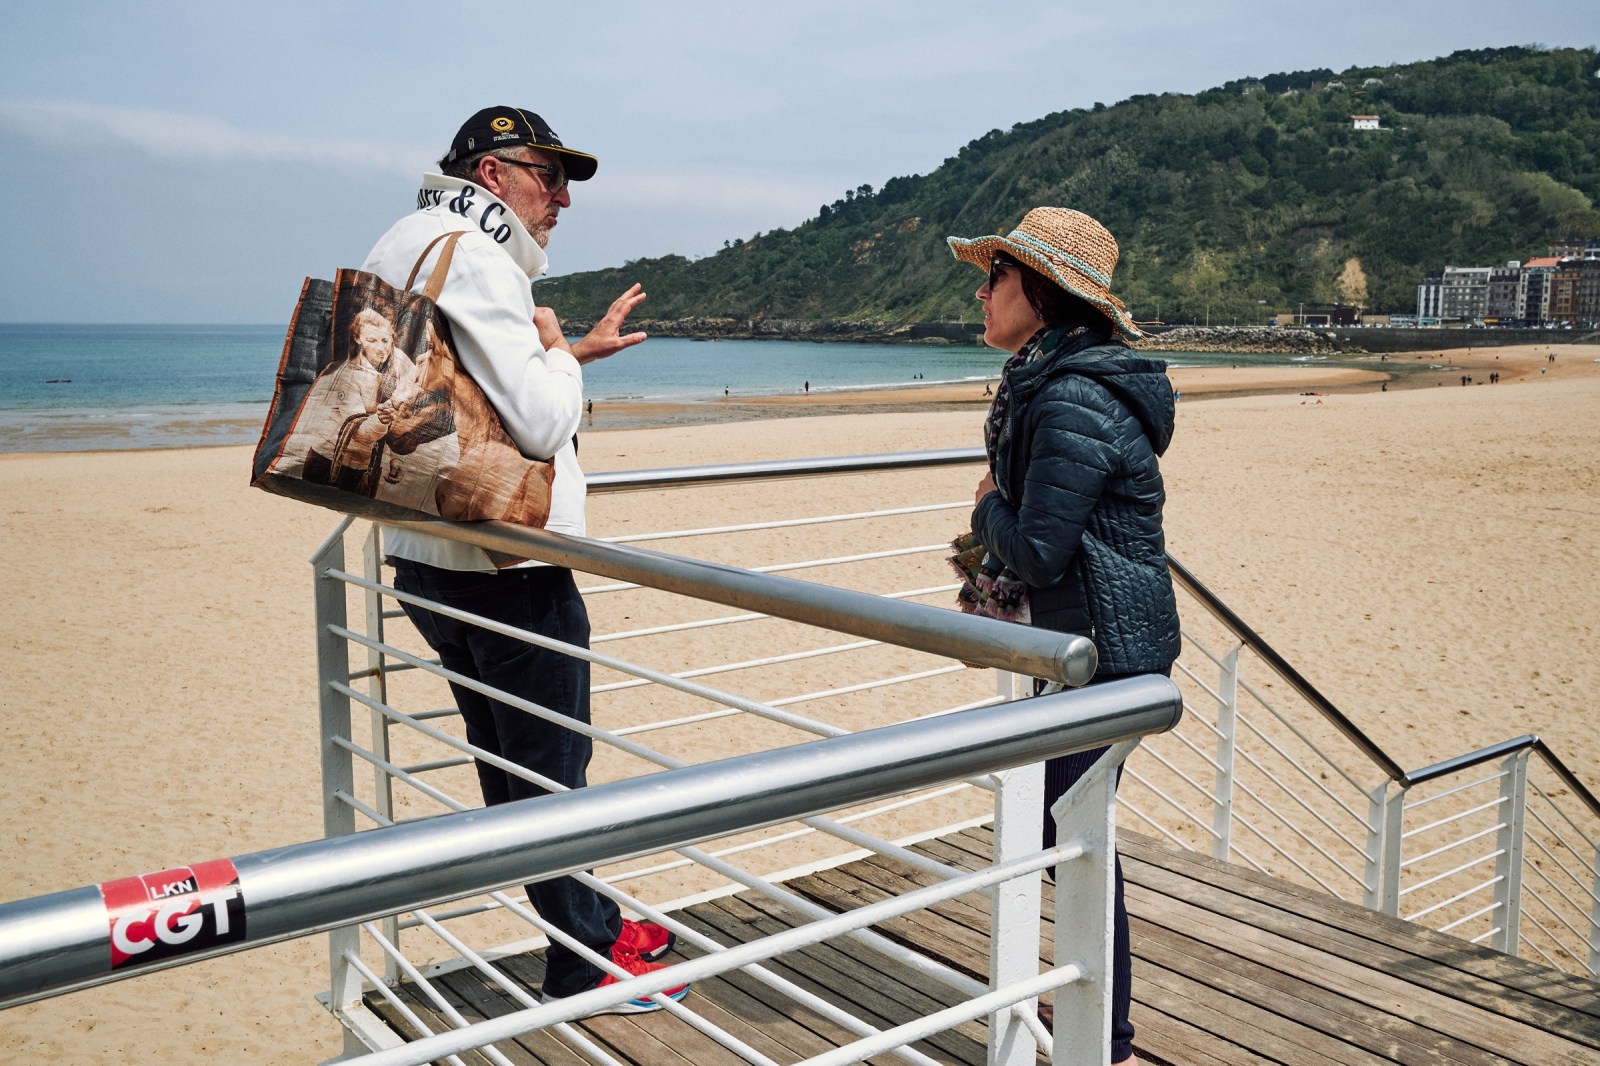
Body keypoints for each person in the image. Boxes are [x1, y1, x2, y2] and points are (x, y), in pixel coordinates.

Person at [359, 106, 686, 1014]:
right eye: (550, 177)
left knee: (509, 765)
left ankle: (586, 927)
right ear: (494, 175)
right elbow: (541, 421)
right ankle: (585, 968)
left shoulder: (406, 239)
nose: (565, 200)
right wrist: (559, 355)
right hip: (510, 565)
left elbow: (448, 381)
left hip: (424, 555)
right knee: (551, 773)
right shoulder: (479, 255)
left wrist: (562, 354)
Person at [948, 207, 1180, 1066]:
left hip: (1105, 653)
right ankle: (1105, 1033)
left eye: (997, 276)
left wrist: (984, 505)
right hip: (1089, 643)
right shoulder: (1053, 383)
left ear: (1039, 296)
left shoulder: (1071, 396)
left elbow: (1042, 549)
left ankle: (1108, 1042)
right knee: (1071, 832)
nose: (982, 290)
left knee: (1071, 835)